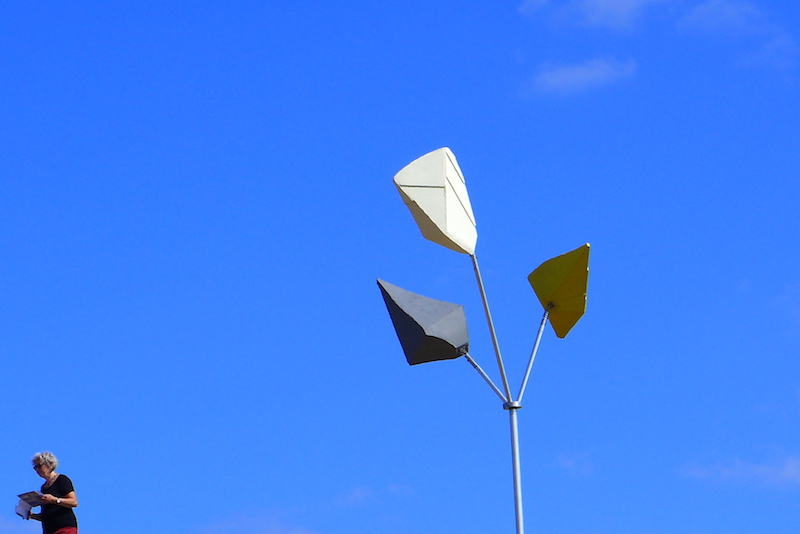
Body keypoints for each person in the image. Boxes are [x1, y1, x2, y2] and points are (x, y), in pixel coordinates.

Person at [28, 452, 79, 534]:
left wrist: (55, 500)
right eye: (35, 467)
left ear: (49, 464)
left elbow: (74, 502)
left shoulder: (62, 480)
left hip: (64, 527)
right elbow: (47, 515)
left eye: (39, 466)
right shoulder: (44, 488)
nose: (37, 470)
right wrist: (31, 515)